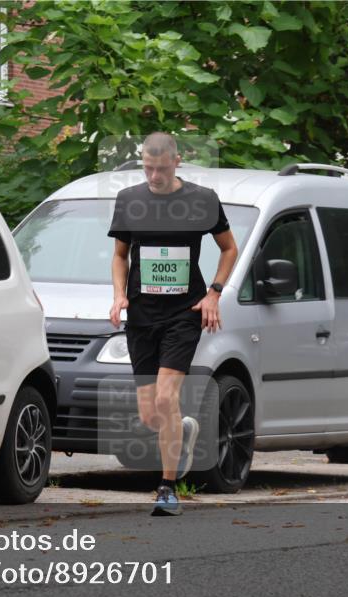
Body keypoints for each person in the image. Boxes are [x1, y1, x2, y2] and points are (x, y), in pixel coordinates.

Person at [108, 133, 238, 516]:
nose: (154, 176)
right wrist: (119, 295)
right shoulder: (129, 200)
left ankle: (167, 488)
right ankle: (179, 426)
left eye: (161, 169)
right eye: (148, 168)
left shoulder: (201, 200)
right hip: (141, 317)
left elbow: (229, 247)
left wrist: (213, 293)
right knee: (152, 415)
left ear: (177, 162)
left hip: (185, 313)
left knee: (166, 398)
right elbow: (120, 255)